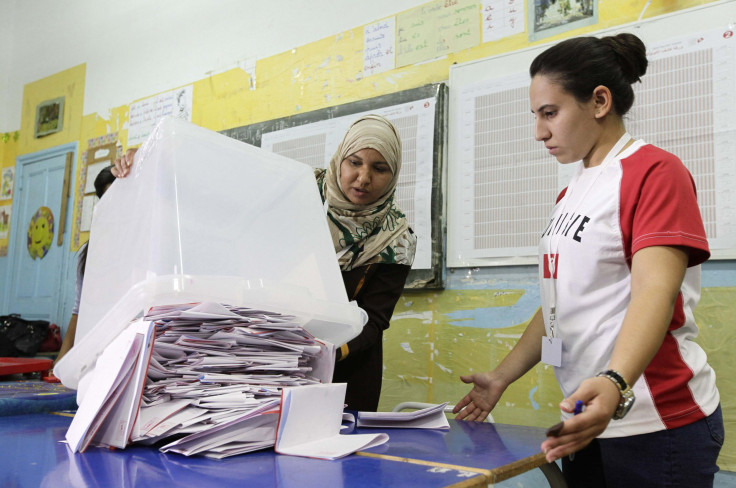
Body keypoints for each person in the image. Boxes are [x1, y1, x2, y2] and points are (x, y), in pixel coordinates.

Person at [453, 33, 723, 487]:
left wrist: (616, 381)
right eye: (535, 116)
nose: (539, 131)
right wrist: (502, 376)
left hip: (655, 422)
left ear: (600, 101)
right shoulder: (571, 192)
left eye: (550, 113)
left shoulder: (654, 172)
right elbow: (561, 304)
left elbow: (654, 290)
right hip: (587, 418)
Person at [112, 115, 416, 412]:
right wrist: (151, 158)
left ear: (394, 173)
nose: (363, 178)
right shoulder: (300, 189)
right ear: (341, 157)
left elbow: (374, 321)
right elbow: (219, 183)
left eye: (379, 168)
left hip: (344, 369)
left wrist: (319, 352)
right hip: (268, 352)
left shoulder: (397, 239)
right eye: (354, 162)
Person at [54, 166, 116, 365]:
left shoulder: (144, 242)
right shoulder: (87, 253)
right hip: (96, 348)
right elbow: (78, 309)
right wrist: (62, 358)